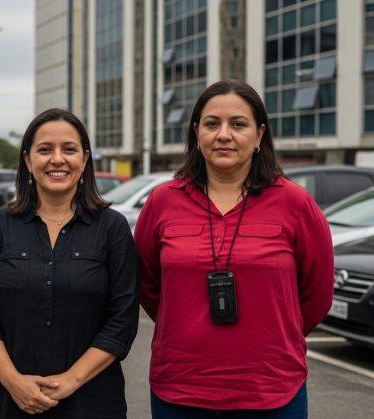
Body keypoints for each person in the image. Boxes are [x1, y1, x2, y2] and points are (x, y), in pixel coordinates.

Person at [134, 80, 333, 418]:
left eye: (238, 124)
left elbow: (318, 293)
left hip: (271, 390)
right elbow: (147, 284)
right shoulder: (162, 201)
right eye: (212, 124)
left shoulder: (295, 203)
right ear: (197, 133)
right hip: (180, 388)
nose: (223, 135)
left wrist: (274, 332)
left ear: (259, 135)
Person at [0, 108, 139, 418]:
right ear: (27, 159)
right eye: (45, 149)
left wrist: (69, 381)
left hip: (93, 402)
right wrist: (14, 381)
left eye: (69, 149)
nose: (57, 159)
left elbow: (122, 321)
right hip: (9, 400)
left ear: (84, 159)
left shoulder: (112, 228)